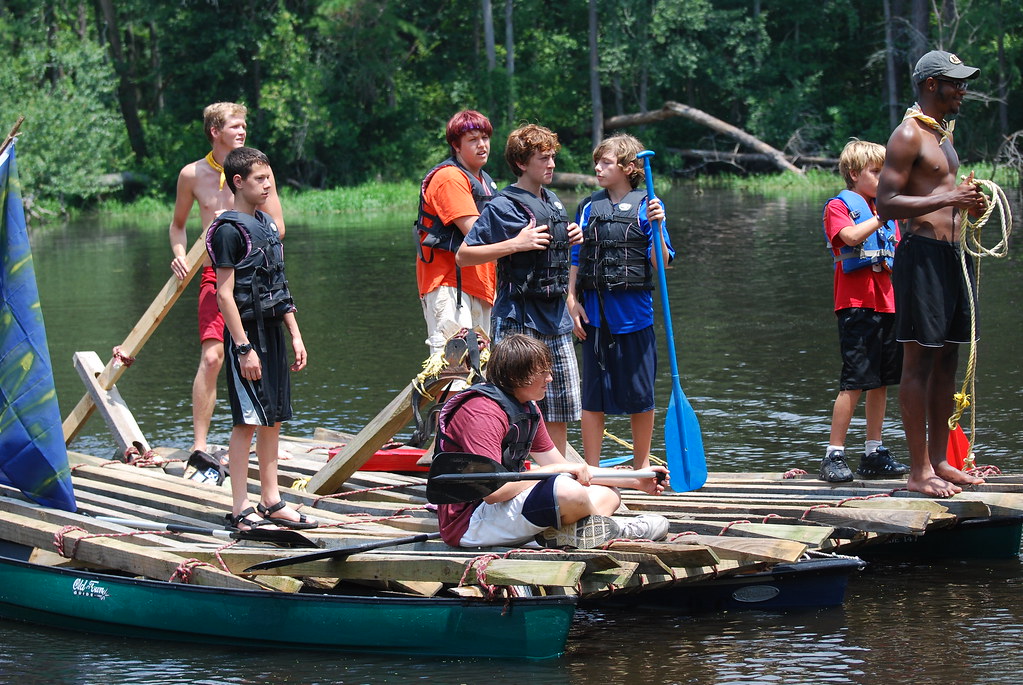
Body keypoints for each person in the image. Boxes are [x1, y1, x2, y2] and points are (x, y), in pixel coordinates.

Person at [435, 333, 670, 548]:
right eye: (543, 372)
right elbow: (493, 493)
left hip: (503, 510)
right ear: (517, 375)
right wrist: (556, 470)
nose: (550, 378)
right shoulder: (482, 414)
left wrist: (636, 481)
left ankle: (558, 536)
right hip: (471, 523)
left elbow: (570, 469)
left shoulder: (527, 408)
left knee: (608, 492)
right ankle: (617, 532)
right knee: (568, 491)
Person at [876, 49, 987, 497]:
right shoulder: (907, 135)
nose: (962, 89)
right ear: (929, 85)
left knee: (948, 359)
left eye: (963, 81)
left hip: (952, 256)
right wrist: (948, 200)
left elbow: (946, 193)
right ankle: (919, 470)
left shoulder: (943, 137)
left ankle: (942, 460)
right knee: (918, 361)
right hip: (920, 255)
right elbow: (886, 204)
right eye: (954, 81)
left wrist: (969, 204)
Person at [169, 102, 286, 465]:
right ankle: (199, 445)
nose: (242, 131)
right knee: (212, 356)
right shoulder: (192, 174)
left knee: (262, 355)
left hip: (254, 275)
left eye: (244, 126)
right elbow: (177, 224)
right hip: (213, 272)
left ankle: (257, 432)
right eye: (235, 126)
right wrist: (177, 252)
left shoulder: (257, 172)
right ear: (214, 131)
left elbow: (279, 228)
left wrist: (235, 221)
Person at [456, 124, 582, 455]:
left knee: (561, 405)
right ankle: (511, 469)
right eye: (544, 158)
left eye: (553, 157)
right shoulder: (503, 205)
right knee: (513, 403)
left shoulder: (553, 201)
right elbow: (464, 255)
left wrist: (570, 239)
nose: (551, 164)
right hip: (519, 319)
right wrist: (515, 243)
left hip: (556, 319)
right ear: (523, 163)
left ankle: (559, 477)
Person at [206, 147, 315, 530]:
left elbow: (278, 285)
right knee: (247, 422)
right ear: (238, 182)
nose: (268, 184)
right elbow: (223, 294)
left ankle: (271, 501)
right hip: (247, 336)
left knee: (273, 418)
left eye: (269, 177)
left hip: (273, 332)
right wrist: (242, 347)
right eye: (259, 179)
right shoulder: (227, 230)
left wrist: (295, 334)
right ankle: (239, 509)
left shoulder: (267, 224)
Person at [566, 133, 672, 470]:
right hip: (594, 318)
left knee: (641, 398)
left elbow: (663, 263)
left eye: (606, 162)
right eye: (597, 162)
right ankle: (593, 471)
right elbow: (576, 256)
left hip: (635, 318)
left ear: (628, 168)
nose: (597, 167)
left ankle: (641, 468)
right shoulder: (588, 206)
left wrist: (658, 226)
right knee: (593, 399)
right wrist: (571, 300)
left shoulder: (648, 205)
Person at [818, 140, 909, 483]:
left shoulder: (884, 213)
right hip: (856, 306)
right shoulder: (841, 207)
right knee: (855, 381)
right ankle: (834, 454)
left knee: (882, 382)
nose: (884, 176)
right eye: (876, 171)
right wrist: (882, 215)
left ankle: (873, 451)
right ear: (855, 175)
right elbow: (852, 237)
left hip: (887, 303)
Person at [415, 110, 498, 356]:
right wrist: (520, 244)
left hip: (480, 285)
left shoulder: (485, 181)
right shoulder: (449, 177)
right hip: (450, 284)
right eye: (473, 140)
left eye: (485, 137)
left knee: (480, 368)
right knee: (453, 369)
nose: (482, 145)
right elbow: (476, 233)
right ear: (456, 146)